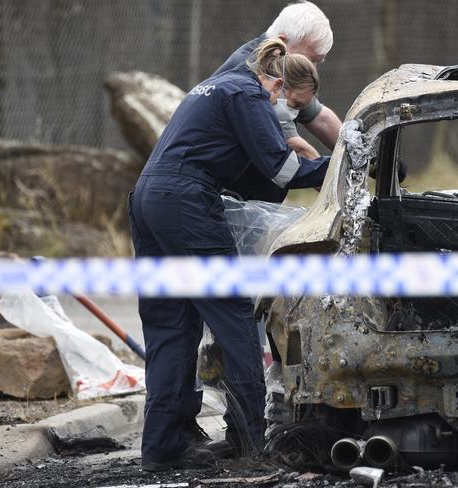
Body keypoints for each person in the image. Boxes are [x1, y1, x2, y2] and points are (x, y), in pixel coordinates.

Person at [129, 38, 330, 472]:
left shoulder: (218, 85)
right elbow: (282, 169)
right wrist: (345, 164)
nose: (289, 114)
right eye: (291, 104)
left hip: (147, 199)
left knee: (172, 324)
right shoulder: (249, 93)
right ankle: (249, 442)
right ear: (276, 82)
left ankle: (163, 448)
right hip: (183, 201)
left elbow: (253, 180)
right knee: (235, 317)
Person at [213, 1, 341, 203]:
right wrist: (345, 200)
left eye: (317, 62)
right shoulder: (256, 76)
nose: (313, 69)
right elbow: (297, 150)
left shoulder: (278, 64)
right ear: (282, 42)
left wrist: (369, 156)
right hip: (225, 194)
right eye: (310, 60)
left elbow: (320, 117)